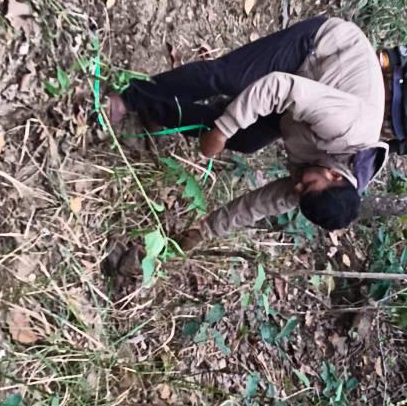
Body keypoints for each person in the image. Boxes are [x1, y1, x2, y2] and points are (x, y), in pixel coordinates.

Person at [106, 16, 389, 249]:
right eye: (306, 186)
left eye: (300, 192)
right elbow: (280, 87)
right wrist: (222, 130)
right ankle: (129, 98)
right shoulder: (348, 127)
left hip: (304, 107)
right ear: (335, 176)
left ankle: (156, 109)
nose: (297, 186)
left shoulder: (319, 189)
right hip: (319, 50)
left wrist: (205, 231)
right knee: (228, 78)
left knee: (247, 139)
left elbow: (264, 203)